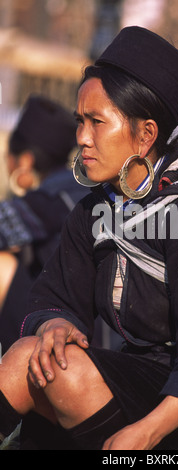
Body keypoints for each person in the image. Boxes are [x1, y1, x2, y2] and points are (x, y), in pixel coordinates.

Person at [0, 26, 178, 451]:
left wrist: (144, 433)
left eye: (96, 122)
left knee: (64, 372)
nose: (81, 137)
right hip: (122, 380)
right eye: (80, 121)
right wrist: (57, 324)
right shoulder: (92, 212)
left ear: (146, 134)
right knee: (31, 354)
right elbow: (54, 298)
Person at [0, 95, 89, 354]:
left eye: (8, 156)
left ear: (25, 162)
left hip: (65, 327)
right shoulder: (76, 187)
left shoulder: (47, 200)